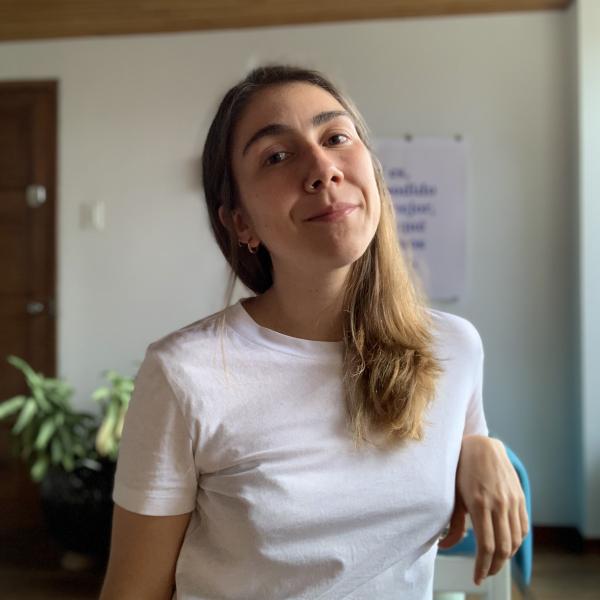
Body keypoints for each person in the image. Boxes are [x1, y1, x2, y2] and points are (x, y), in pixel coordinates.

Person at [99, 64, 528, 600]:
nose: (322, 168)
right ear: (240, 222)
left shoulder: (454, 348)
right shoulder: (185, 374)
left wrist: (480, 447)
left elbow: (441, 446)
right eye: (277, 156)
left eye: (336, 137)